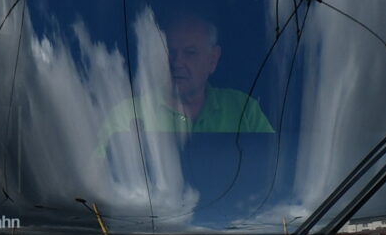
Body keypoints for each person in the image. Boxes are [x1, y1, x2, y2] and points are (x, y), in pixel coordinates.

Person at [100, 13, 275, 144]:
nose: (177, 62)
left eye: (190, 53)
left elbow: (277, 168)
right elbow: (96, 179)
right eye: (170, 52)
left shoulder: (245, 112)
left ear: (213, 59)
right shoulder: (127, 115)